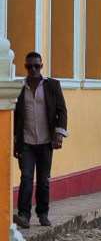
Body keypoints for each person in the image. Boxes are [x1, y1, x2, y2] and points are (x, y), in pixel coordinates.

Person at [13, 52, 68, 229]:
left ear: (42, 66)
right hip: (26, 141)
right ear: (25, 67)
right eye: (29, 66)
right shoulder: (19, 87)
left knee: (43, 179)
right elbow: (15, 116)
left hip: (46, 141)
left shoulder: (52, 85)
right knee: (26, 177)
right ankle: (24, 215)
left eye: (36, 66)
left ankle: (43, 214)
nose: (33, 69)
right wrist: (15, 141)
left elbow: (62, 111)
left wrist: (59, 133)